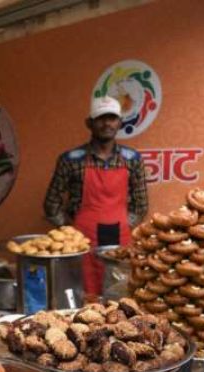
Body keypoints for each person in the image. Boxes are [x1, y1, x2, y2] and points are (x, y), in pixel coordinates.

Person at [43, 96, 148, 296]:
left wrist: (125, 223)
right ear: (89, 123)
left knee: (118, 293)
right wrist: (69, 232)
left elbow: (141, 205)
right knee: (83, 295)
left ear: (119, 123)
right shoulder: (71, 160)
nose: (107, 123)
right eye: (101, 118)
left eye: (112, 118)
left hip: (120, 240)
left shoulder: (132, 159)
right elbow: (51, 204)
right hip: (82, 241)